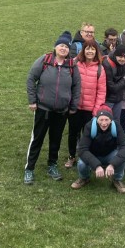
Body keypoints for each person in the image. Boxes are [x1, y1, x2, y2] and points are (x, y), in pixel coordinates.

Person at [24, 31, 81, 185]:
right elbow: (31, 79)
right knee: (37, 139)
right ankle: (29, 168)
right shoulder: (45, 60)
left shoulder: (72, 65)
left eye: (66, 47)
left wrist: (73, 106)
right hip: (43, 109)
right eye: (61, 46)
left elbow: (77, 87)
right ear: (55, 47)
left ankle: (52, 165)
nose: (63, 48)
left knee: (55, 139)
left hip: (62, 111)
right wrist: (32, 101)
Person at [64, 39, 106, 168]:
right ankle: (71, 156)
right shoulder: (75, 64)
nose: (90, 51)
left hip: (90, 109)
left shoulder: (100, 69)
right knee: (73, 133)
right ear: (83, 50)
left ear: (96, 51)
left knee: (88, 135)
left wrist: (96, 110)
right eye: (87, 48)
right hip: (75, 107)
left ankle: (87, 158)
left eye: (93, 49)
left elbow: (101, 92)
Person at [71, 105, 125, 193]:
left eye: (106, 120)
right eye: (101, 120)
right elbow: (82, 149)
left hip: (110, 154)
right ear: (96, 119)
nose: (104, 123)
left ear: (111, 120)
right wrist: (96, 165)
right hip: (93, 154)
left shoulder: (116, 126)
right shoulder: (89, 126)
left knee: (121, 158)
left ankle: (117, 180)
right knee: (81, 163)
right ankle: (84, 178)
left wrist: (113, 164)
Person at [102, 44, 125, 129]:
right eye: (120, 57)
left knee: (116, 121)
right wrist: (123, 81)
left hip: (119, 98)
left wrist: (121, 84)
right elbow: (111, 87)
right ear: (115, 55)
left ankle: (115, 136)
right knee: (105, 121)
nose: (122, 59)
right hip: (107, 99)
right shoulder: (107, 63)